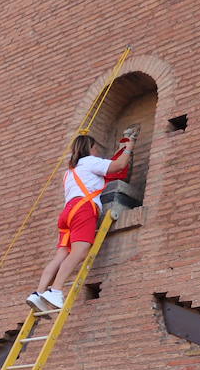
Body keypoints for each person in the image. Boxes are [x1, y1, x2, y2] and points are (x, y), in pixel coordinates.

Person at [28, 128, 136, 312]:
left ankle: (38, 293)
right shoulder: (90, 161)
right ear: (90, 148)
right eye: (96, 148)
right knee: (80, 251)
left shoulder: (70, 171)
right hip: (83, 209)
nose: (98, 152)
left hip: (67, 213)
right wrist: (128, 148)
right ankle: (55, 290)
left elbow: (108, 173)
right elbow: (118, 167)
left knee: (61, 254)